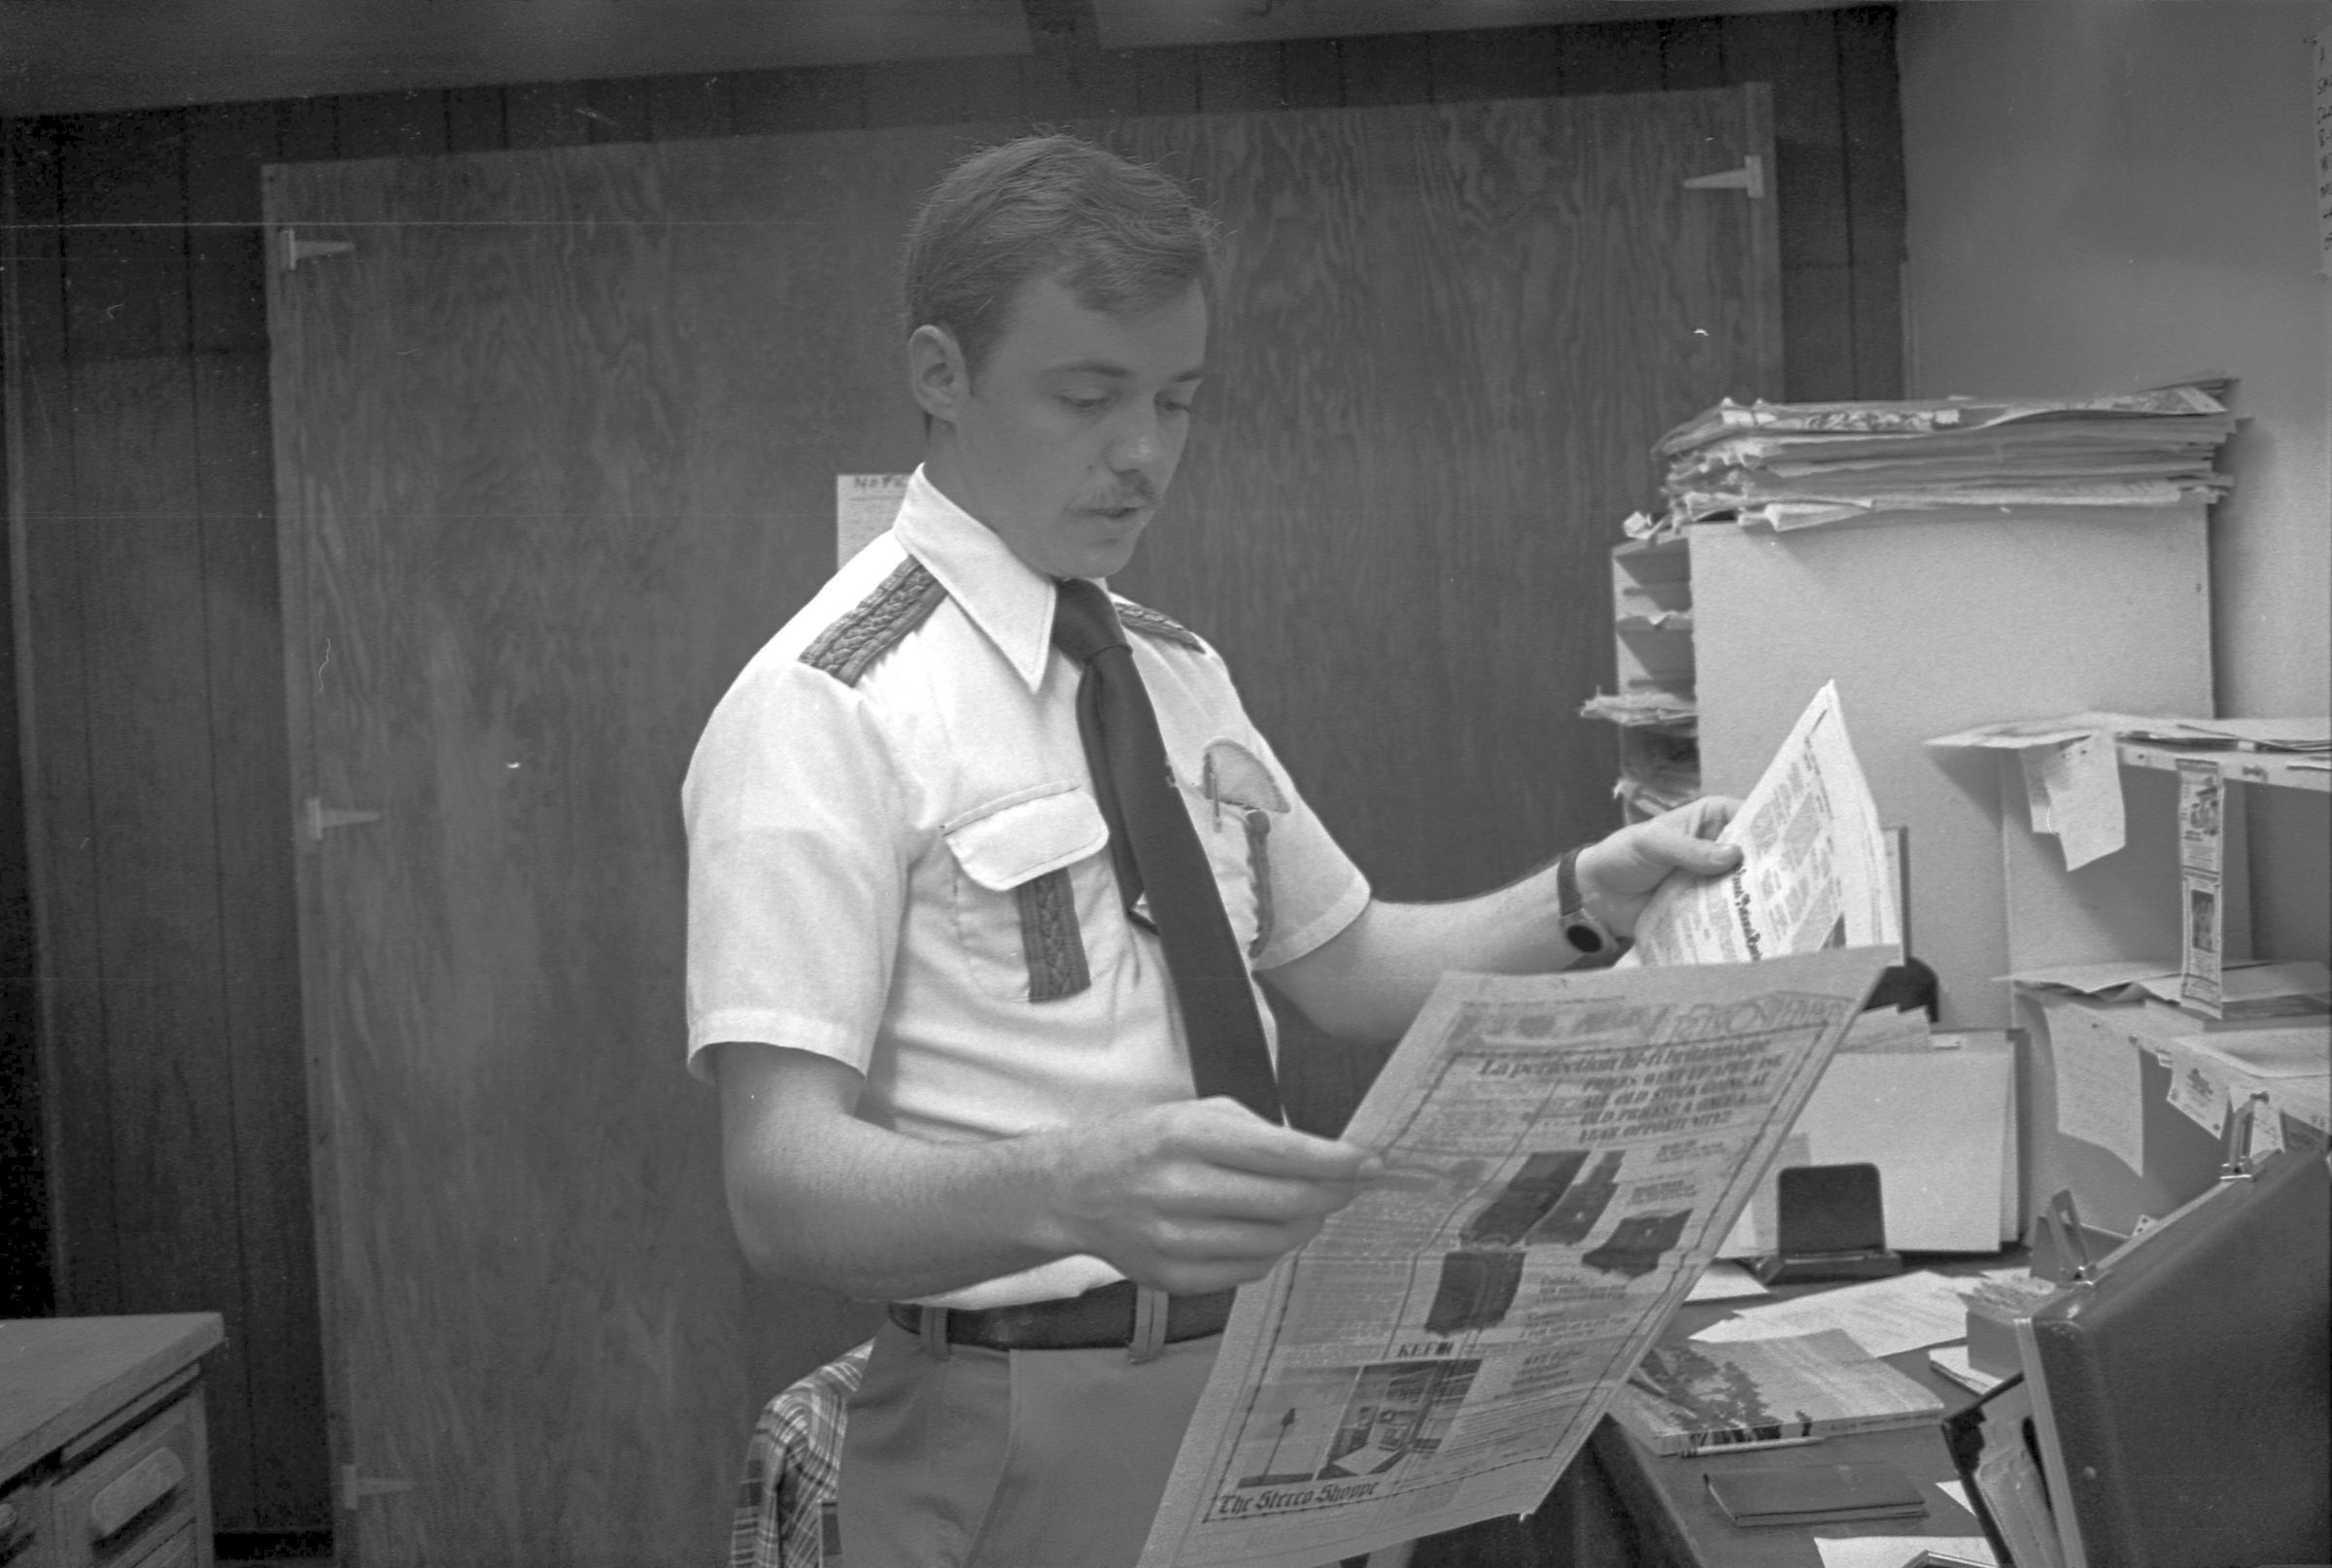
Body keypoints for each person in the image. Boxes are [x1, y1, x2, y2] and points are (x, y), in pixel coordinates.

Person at [684, 133, 1740, 1568]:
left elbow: (1348, 965)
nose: (1143, 454)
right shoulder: (828, 704)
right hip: (1026, 1408)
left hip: (1272, 1384)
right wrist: (1077, 1187)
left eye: (1176, 401)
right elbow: (779, 1184)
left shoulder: (1173, 671)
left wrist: (1582, 898)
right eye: (1087, 397)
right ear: (941, 374)